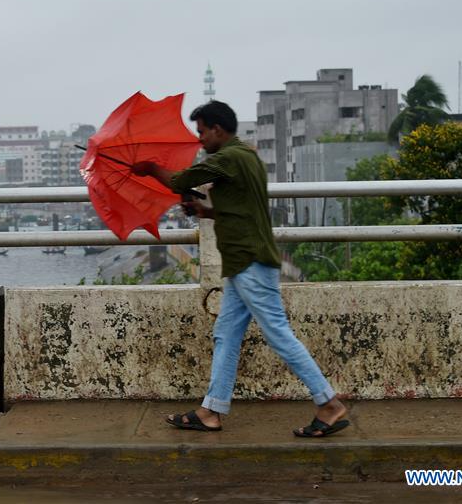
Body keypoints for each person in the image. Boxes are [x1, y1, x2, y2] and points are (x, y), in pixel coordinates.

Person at [131, 100, 349, 438]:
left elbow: (179, 180)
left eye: (202, 131)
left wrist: (149, 168)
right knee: (226, 334)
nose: (200, 138)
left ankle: (329, 403)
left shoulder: (228, 158)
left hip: (249, 261)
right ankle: (211, 410)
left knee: (278, 333)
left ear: (218, 129)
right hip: (242, 262)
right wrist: (206, 212)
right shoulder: (248, 158)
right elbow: (244, 209)